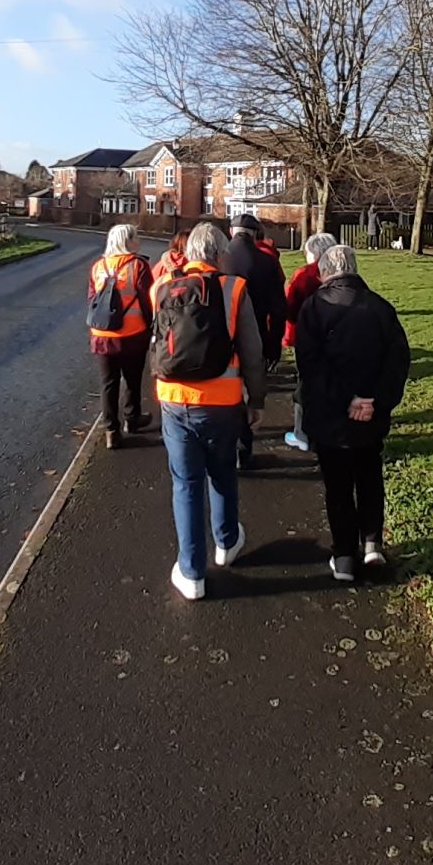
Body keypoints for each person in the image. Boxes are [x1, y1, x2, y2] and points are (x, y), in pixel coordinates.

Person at [150, 221, 267, 600]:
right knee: (222, 473)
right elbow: (252, 352)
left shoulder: (164, 287)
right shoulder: (234, 289)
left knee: (185, 484)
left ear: (189, 254)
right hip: (221, 401)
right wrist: (258, 401)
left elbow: (158, 344)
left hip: (173, 398)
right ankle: (227, 542)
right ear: (219, 253)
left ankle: (191, 573)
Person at [294, 245, 411, 582]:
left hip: (330, 416)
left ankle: (345, 555)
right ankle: (373, 543)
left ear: (323, 273)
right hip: (371, 416)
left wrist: (346, 400)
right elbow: (398, 362)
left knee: (338, 486)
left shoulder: (313, 309)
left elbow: (311, 367)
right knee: (370, 475)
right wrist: (375, 400)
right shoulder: (381, 308)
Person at [221, 212, 286, 468]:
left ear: (231, 232)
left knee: (225, 392)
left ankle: (223, 446)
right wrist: (274, 345)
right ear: (255, 234)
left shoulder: (220, 259)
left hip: (222, 335)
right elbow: (279, 310)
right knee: (249, 394)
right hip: (256, 334)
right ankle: (243, 450)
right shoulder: (266, 262)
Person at [87, 224, 153, 450]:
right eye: (136, 237)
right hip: (132, 333)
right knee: (133, 379)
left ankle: (111, 430)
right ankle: (132, 418)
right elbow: (147, 300)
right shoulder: (139, 266)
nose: (139, 240)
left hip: (102, 334)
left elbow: (92, 299)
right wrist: (151, 327)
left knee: (108, 383)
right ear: (128, 241)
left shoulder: (98, 267)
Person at [281, 232, 337, 452]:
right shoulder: (342, 274)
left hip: (306, 339)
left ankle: (301, 433)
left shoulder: (304, 275)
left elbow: (291, 307)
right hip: (336, 338)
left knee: (305, 385)